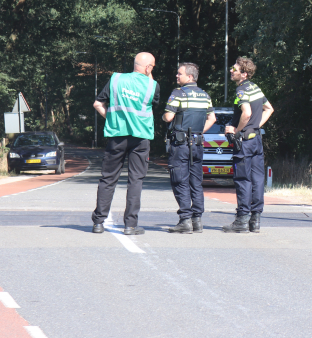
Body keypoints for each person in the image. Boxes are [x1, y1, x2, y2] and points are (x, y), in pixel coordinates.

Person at [91, 52, 160, 235]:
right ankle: (130, 225)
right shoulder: (152, 86)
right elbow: (153, 101)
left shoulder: (116, 79)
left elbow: (98, 104)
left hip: (116, 136)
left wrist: (111, 119)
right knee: (135, 180)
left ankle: (98, 222)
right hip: (140, 138)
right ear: (148, 68)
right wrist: (149, 74)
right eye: (152, 67)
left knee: (108, 178)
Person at [223, 57, 274, 233]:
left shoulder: (242, 90)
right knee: (258, 179)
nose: (231, 71)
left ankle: (242, 220)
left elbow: (246, 113)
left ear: (243, 74)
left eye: (234, 69)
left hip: (244, 142)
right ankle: (255, 220)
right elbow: (269, 109)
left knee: (243, 180)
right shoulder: (255, 88)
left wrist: (236, 131)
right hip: (256, 140)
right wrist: (256, 126)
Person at [162, 63, 215, 233]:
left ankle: (185, 219)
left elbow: (168, 117)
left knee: (180, 181)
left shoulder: (178, 93)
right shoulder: (205, 95)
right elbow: (212, 118)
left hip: (181, 144)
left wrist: (164, 116)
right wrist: (198, 132)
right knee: (196, 182)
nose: (177, 76)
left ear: (190, 77)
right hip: (198, 143)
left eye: (179, 74)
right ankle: (197, 220)